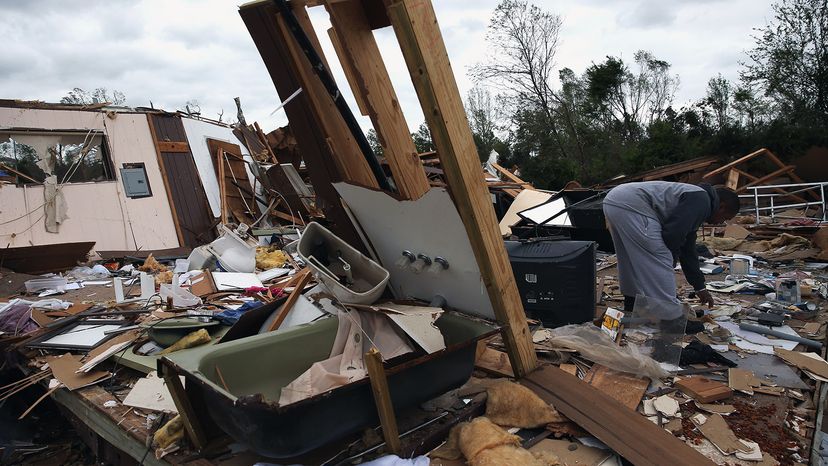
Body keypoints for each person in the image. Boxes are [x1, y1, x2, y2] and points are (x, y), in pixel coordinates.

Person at [602, 181, 740, 320]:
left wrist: (699, 287)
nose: (721, 223)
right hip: (633, 204)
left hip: (615, 199)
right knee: (660, 257)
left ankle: (633, 305)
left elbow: (688, 249)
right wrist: (671, 259)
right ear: (721, 207)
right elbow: (673, 234)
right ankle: (671, 318)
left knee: (629, 259)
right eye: (725, 218)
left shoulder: (698, 198)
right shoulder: (702, 200)